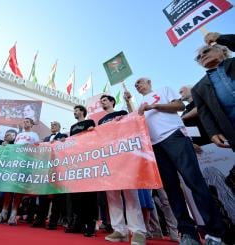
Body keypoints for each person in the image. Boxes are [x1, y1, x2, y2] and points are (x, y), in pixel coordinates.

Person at [126, 78, 224, 245]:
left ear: (149, 82)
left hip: (174, 137)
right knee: (172, 190)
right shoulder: (140, 103)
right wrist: (129, 104)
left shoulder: (163, 89)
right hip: (155, 146)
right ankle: (188, 233)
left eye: (140, 82)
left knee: (195, 183)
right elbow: (134, 119)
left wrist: (154, 106)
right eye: (135, 85)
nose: (138, 86)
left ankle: (214, 233)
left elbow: (179, 106)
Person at [97, 95, 146, 245]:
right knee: (112, 195)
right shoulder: (100, 121)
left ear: (112, 102)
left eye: (105, 100)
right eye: (101, 101)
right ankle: (119, 230)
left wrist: (122, 120)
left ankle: (138, 231)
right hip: (108, 157)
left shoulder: (122, 113)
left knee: (130, 194)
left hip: (124, 156)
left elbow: (135, 120)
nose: (103, 102)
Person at [192, 32, 235, 151]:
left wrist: (221, 38)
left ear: (223, 51)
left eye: (206, 51)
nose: (202, 56)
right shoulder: (198, 88)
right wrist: (213, 132)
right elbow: (204, 113)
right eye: (198, 57)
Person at [65, 105, 97, 237]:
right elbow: (71, 142)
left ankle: (90, 224)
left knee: (88, 194)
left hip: (88, 160)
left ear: (82, 112)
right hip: (75, 161)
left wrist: (92, 131)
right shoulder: (72, 127)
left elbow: (95, 136)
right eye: (74, 111)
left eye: (77, 110)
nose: (75, 112)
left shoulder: (90, 122)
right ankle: (78, 224)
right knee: (76, 195)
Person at [32, 121, 68, 229]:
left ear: (59, 127)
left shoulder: (63, 136)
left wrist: (62, 142)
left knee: (56, 198)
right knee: (43, 196)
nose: (53, 126)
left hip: (57, 169)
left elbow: (66, 148)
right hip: (45, 170)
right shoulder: (46, 139)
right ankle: (40, 220)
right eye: (51, 125)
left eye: (55, 125)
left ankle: (53, 222)